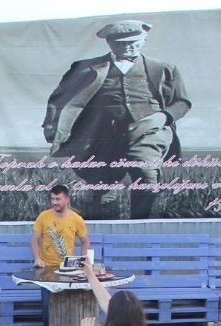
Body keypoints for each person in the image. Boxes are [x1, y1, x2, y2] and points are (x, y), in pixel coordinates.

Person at [43, 20, 191, 219]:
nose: (127, 46)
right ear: (109, 43)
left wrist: (163, 116)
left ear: (144, 40)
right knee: (104, 189)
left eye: (133, 42)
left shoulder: (164, 68)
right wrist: (53, 128)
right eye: (119, 43)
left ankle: (140, 227)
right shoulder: (85, 68)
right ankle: (107, 234)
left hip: (148, 130)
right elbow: (59, 98)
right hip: (102, 135)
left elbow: (182, 102)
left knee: (147, 176)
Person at [30, 184, 91, 268]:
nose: (54, 202)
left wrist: (83, 262)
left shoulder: (77, 219)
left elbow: (85, 241)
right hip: (45, 266)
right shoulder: (43, 216)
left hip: (67, 266)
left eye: (58, 199)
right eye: (52, 199)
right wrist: (37, 259)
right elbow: (35, 239)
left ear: (67, 200)